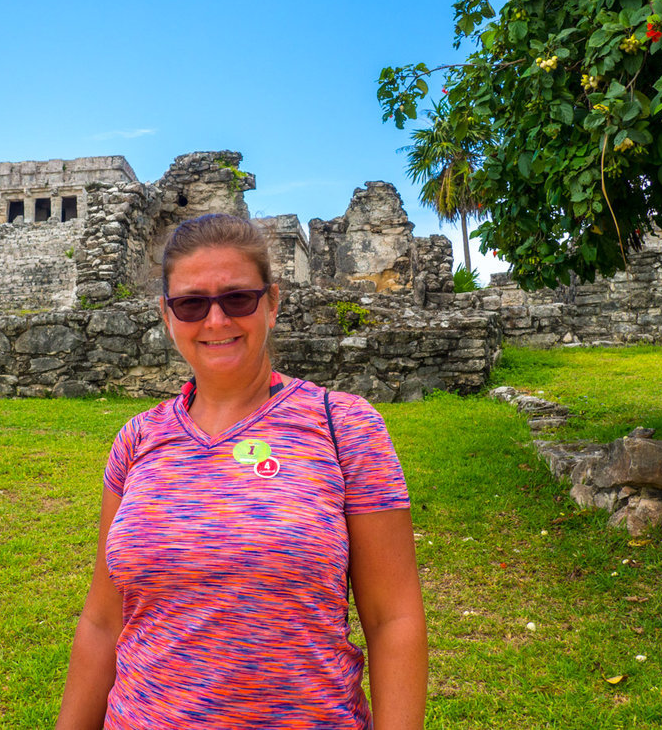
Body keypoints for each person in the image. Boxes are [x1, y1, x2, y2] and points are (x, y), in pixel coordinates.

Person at [56, 213, 428, 729]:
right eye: (190, 303)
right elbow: (102, 622)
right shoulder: (137, 440)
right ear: (167, 315)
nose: (215, 321)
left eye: (237, 299)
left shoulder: (344, 426)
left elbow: (394, 620)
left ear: (272, 303)